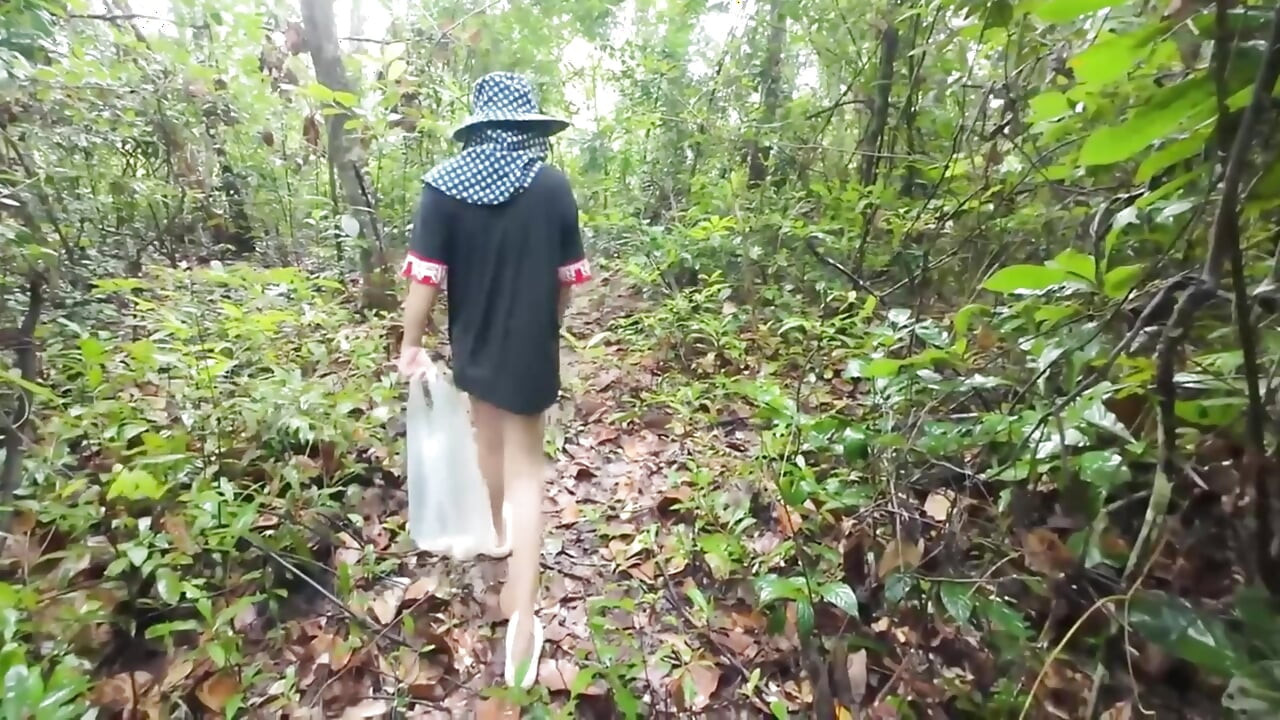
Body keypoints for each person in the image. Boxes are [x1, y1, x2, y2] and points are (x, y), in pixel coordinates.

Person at [396, 71, 591, 690]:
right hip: (531, 346)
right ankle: (522, 615)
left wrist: (409, 343)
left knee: (485, 429)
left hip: (473, 345)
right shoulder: (553, 186)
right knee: (527, 466)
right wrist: (547, 323)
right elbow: (567, 279)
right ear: (527, 124)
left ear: (478, 126)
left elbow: (425, 278)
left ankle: (499, 538)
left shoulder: (443, 188)